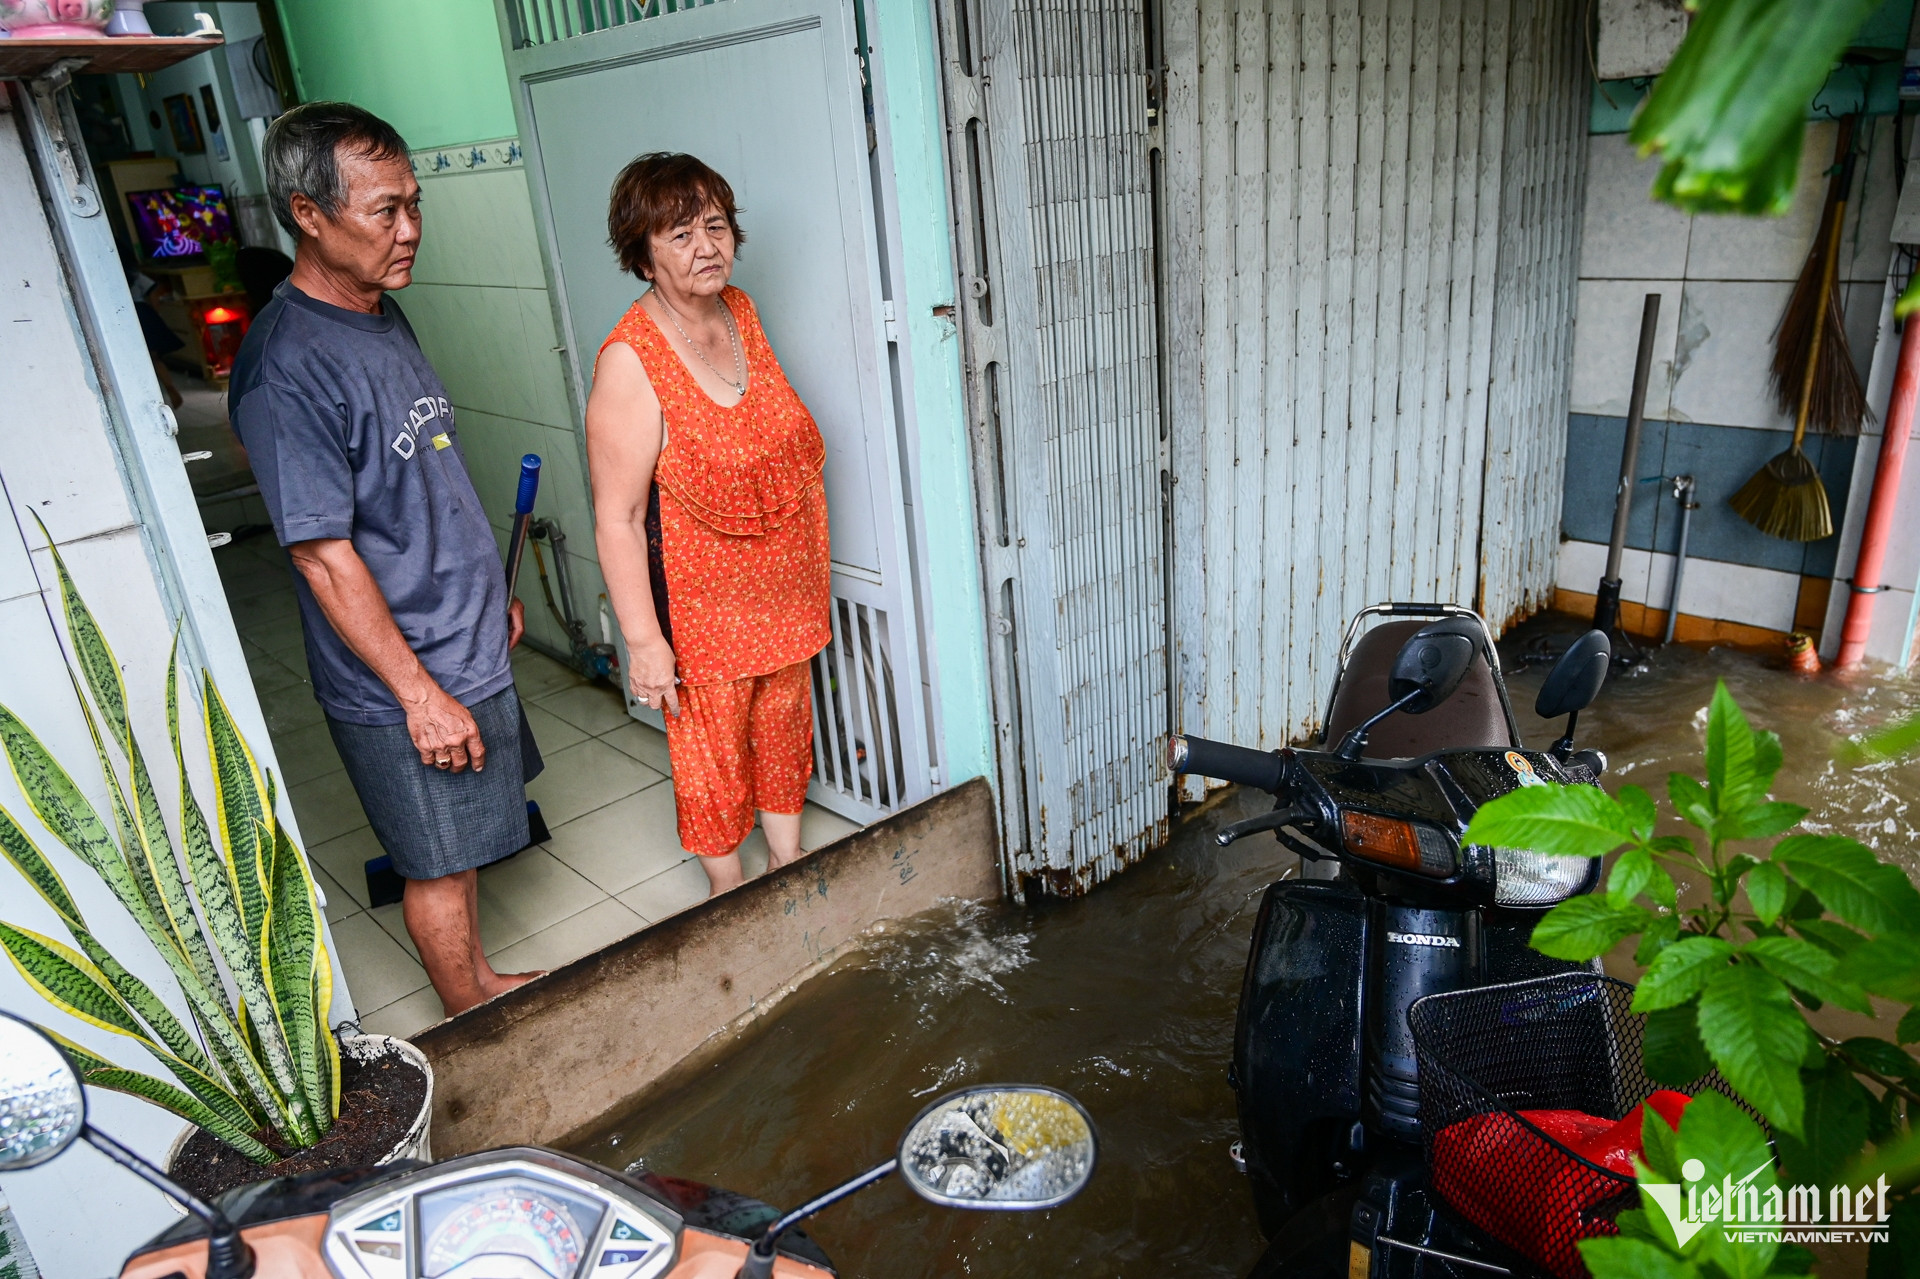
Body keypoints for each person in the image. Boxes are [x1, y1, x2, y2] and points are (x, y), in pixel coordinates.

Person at [230, 102, 543, 1017]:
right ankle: (473, 1018)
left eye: (415, 203)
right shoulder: (286, 365)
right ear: (309, 213)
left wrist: (488, 592)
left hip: (461, 631)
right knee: (436, 859)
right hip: (402, 672)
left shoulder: (380, 314)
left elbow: (420, 468)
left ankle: (482, 977)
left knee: (470, 836)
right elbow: (325, 555)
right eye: (383, 211)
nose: (409, 230)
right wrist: (419, 695)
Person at [586, 152, 831, 897]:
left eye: (716, 227)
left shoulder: (741, 311)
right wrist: (643, 640)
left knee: (785, 724)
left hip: (786, 590)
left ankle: (786, 862)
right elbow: (619, 515)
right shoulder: (632, 360)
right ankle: (731, 892)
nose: (708, 247)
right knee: (714, 755)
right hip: (707, 612)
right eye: (681, 235)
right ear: (643, 253)